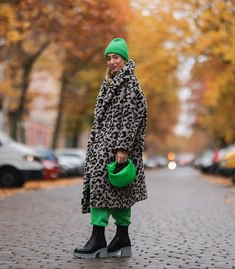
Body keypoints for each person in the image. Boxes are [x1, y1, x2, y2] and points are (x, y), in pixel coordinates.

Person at [74, 38, 148, 258]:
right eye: (108, 58)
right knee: (119, 191)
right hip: (105, 146)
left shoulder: (129, 84)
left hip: (114, 148)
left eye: (115, 57)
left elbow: (130, 118)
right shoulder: (112, 83)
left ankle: (98, 239)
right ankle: (122, 238)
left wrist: (123, 148)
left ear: (125, 59)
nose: (111, 61)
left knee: (100, 187)